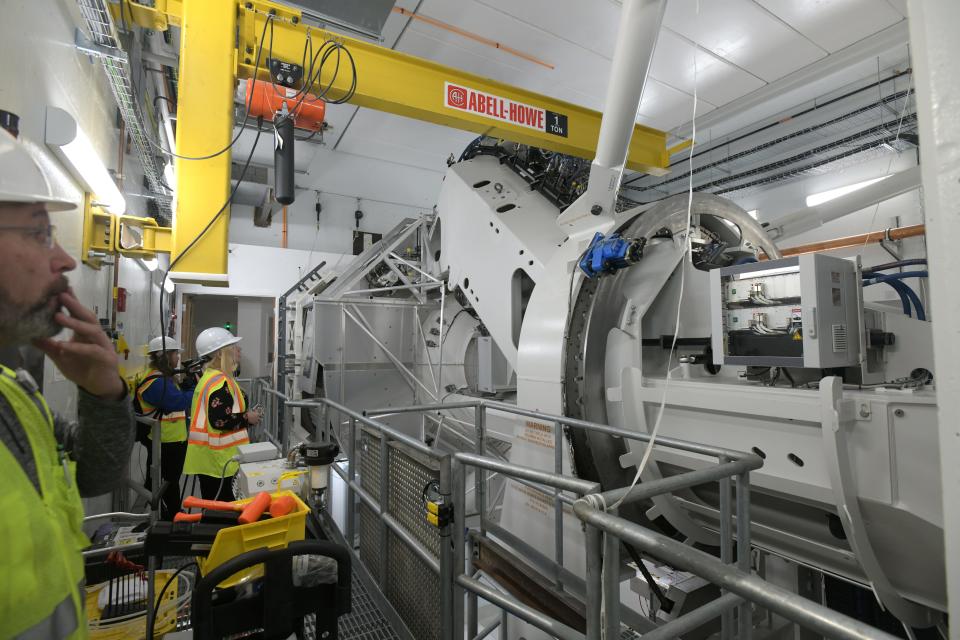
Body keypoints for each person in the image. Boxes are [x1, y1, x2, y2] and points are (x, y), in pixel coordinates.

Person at [0, 126, 134, 637]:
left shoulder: (15, 393)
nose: (64, 259)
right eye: (39, 233)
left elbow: (92, 476)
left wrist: (105, 395)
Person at [183, 327, 262, 501]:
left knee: (213, 511)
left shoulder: (211, 377)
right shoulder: (219, 382)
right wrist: (248, 418)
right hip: (220, 461)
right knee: (222, 513)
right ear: (220, 354)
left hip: (211, 459)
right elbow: (219, 420)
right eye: (233, 346)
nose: (239, 350)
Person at [134, 336, 196, 520]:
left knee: (170, 481)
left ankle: (173, 514)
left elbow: (175, 396)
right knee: (166, 482)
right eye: (175, 353)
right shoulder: (156, 383)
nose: (178, 357)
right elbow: (179, 401)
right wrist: (197, 388)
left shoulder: (163, 378)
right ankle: (171, 517)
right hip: (164, 441)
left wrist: (188, 382)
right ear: (164, 356)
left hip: (171, 439)